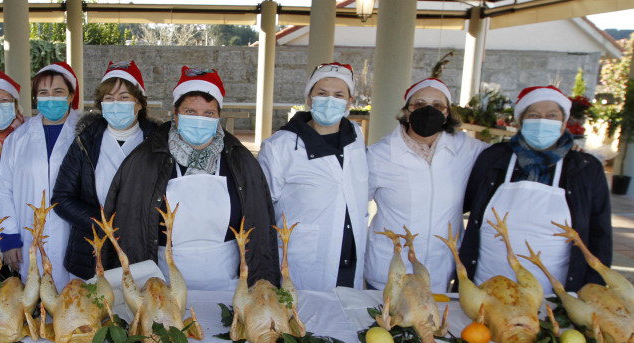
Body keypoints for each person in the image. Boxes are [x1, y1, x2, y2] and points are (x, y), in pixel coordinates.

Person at [104, 66, 280, 290]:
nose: (200, 119)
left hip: (228, 284)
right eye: (190, 112)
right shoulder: (144, 159)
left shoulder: (241, 161)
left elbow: (260, 227)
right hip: (161, 285)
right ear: (175, 115)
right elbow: (126, 227)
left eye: (209, 113)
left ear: (218, 117)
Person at [459, 85, 611, 292]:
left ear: (563, 123)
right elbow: (467, 201)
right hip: (485, 285)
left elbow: (599, 234)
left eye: (551, 115)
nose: (542, 121)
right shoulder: (494, 158)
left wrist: (594, 289)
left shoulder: (585, 168)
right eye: (534, 115)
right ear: (520, 122)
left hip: (554, 294)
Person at [365, 78, 489, 292]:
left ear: (447, 112)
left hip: (440, 273)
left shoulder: (467, 149)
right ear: (407, 111)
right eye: (419, 105)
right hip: (389, 271)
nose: (428, 111)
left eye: (438, 105)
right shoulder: (379, 154)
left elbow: (503, 158)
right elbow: (355, 207)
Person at [258, 62, 368, 291]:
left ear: (349, 102)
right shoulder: (280, 146)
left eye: (339, 95)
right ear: (309, 98)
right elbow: (262, 209)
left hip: (350, 261)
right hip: (302, 265)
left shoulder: (356, 136)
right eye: (322, 93)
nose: (330, 101)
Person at [53, 60, 159, 280]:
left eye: (123, 98)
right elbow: (62, 198)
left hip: (142, 250)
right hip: (91, 252)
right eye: (108, 98)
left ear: (139, 103)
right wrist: (103, 225)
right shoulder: (86, 141)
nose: (115, 104)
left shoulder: (158, 143)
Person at [0, 62, 80, 288]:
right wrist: (9, 237)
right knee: (34, 300)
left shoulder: (87, 132)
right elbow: (4, 189)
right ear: (35, 97)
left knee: (76, 303)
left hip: (73, 236)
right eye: (43, 93)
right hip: (28, 235)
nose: (50, 98)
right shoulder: (18, 138)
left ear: (71, 96)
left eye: (58, 92)